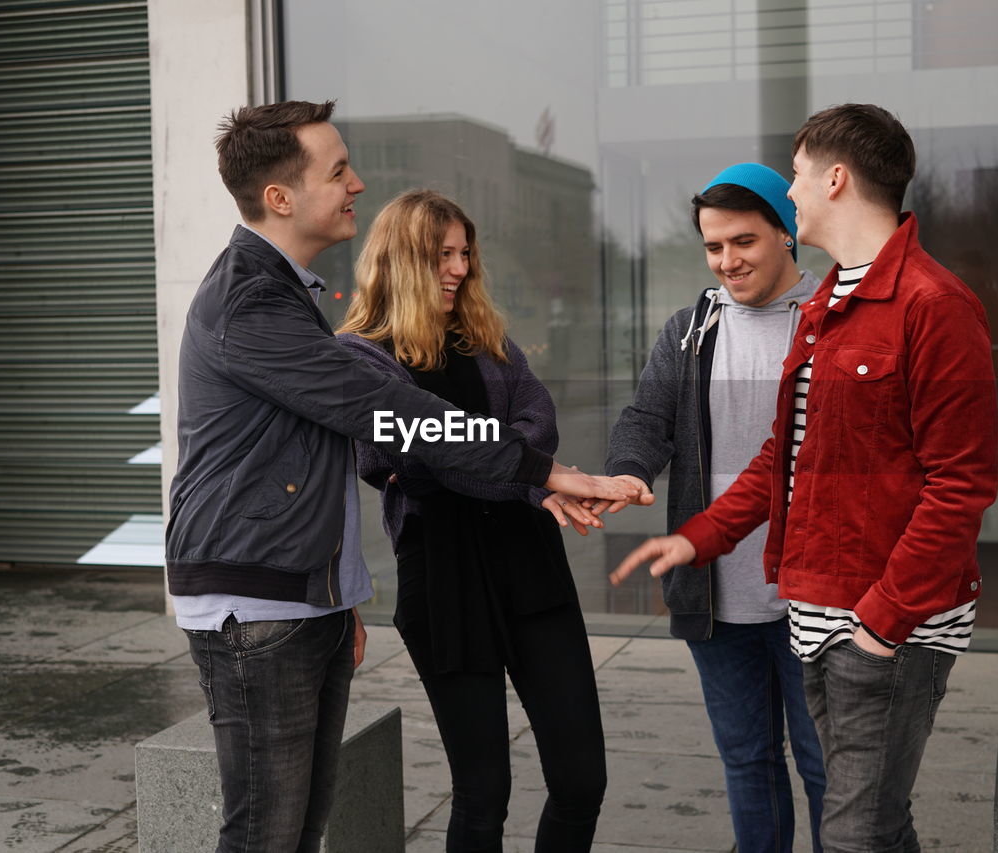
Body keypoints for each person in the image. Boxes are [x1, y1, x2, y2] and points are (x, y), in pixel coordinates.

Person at [166, 100, 634, 853]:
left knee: (296, 828)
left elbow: (328, 460)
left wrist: (339, 587)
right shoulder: (254, 302)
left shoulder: (288, 294)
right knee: (266, 834)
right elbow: (390, 419)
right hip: (256, 605)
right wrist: (543, 472)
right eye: (339, 170)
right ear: (280, 197)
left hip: (298, 596)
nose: (357, 184)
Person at [610, 104, 998, 851]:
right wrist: (698, 538)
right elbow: (786, 459)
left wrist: (881, 624)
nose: (791, 191)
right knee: (874, 820)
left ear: (836, 176)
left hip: (878, 620)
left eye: (794, 176)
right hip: (820, 610)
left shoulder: (933, 303)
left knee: (852, 828)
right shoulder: (834, 299)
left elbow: (961, 487)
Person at [337, 189, 610, 853]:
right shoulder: (360, 357)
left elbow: (536, 422)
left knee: (582, 778)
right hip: (444, 574)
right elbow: (418, 456)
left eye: (464, 253)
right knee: (483, 792)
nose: (458, 268)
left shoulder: (488, 340)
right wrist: (517, 464)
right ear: (402, 259)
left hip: (530, 563)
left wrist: (501, 460)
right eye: (441, 255)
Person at [603, 163, 826, 852]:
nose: (727, 261)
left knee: (828, 770)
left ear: (787, 234)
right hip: (715, 599)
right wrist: (624, 474)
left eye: (744, 241)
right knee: (748, 763)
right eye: (713, 246)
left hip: (813, 599)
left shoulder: (829, 321)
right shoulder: (690, 329)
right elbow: (647, 419)